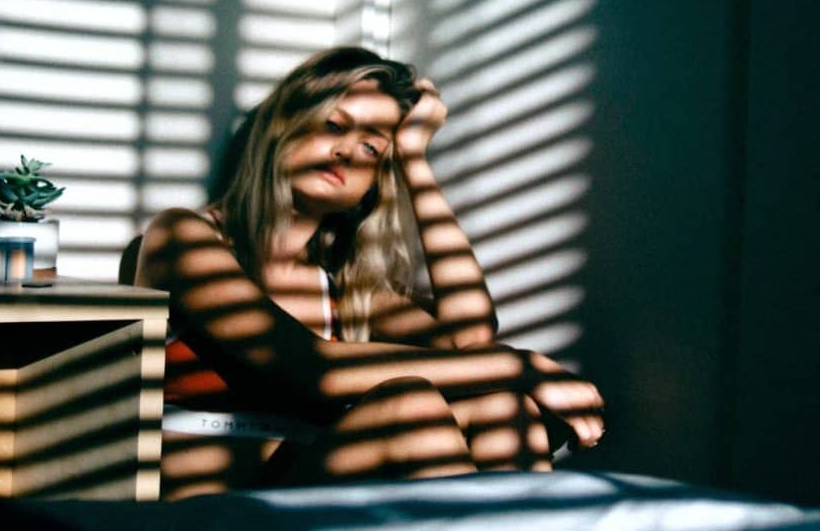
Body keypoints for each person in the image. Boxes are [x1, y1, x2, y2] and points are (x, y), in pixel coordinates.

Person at [135, 46, 604, 498]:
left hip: (310, 495)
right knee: (410, 408)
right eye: (334, 125)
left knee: (504, 406)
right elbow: (310, 369)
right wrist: (523, 364)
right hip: (214, 505)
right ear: (284, 127)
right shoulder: (182, 236)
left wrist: (415, 162)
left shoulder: (340, 289)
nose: (346, 152)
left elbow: (473, 340)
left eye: (372, 148)